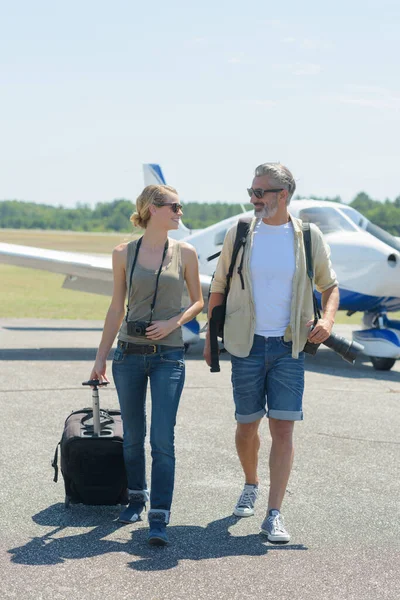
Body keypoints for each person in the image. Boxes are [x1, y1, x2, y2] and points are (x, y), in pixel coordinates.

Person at [204, 163, 339, 543]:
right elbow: (219, 286)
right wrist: (211, 341)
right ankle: (251, 482)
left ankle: (274, 513)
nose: (253, 199)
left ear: (283, 195)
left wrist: (327, 320)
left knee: (283, 428)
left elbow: (330, 287)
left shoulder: (309, 238)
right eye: (251, 191)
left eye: (260, 192)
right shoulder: (242, 232)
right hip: (246, 344)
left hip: (288, 346)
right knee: (247, 426)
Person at [90, 184, 204, 546]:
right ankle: (136, 498)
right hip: (127, 355)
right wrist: (100, 358)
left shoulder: (186, 253)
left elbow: (198, 302)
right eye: (174, 206)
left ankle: (159, 515)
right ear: (153, 209)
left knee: (161, 440)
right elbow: (115, 307)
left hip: (169, 356)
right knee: (133, 439)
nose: (180, 212)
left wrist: (173, 324)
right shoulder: (123, 253)